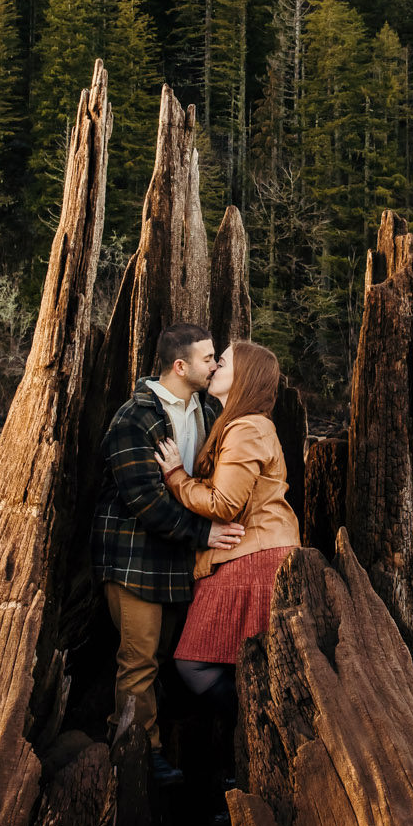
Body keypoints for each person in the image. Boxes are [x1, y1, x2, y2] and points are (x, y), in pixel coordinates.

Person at [93, 321, 241, 783]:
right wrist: (204, 535)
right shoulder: (134, 418)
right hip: (134, 559)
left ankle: (192, 755)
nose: (214, 364)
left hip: (179, 562)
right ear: (180, 366)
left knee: (172, 659)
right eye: (207, 358)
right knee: (138, 659)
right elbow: (144, 501)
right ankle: (140, 755)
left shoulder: (206, 410)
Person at [156, 340, 298, 702]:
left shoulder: (246, 428)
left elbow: (224, 503)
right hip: (250, 553)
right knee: (245, 664)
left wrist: (176, 477)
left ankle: (267, 720)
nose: (214, 368)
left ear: (244, 376)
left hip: (254, 557)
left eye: (221, 362)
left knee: (194, 665)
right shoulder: (237, 424)